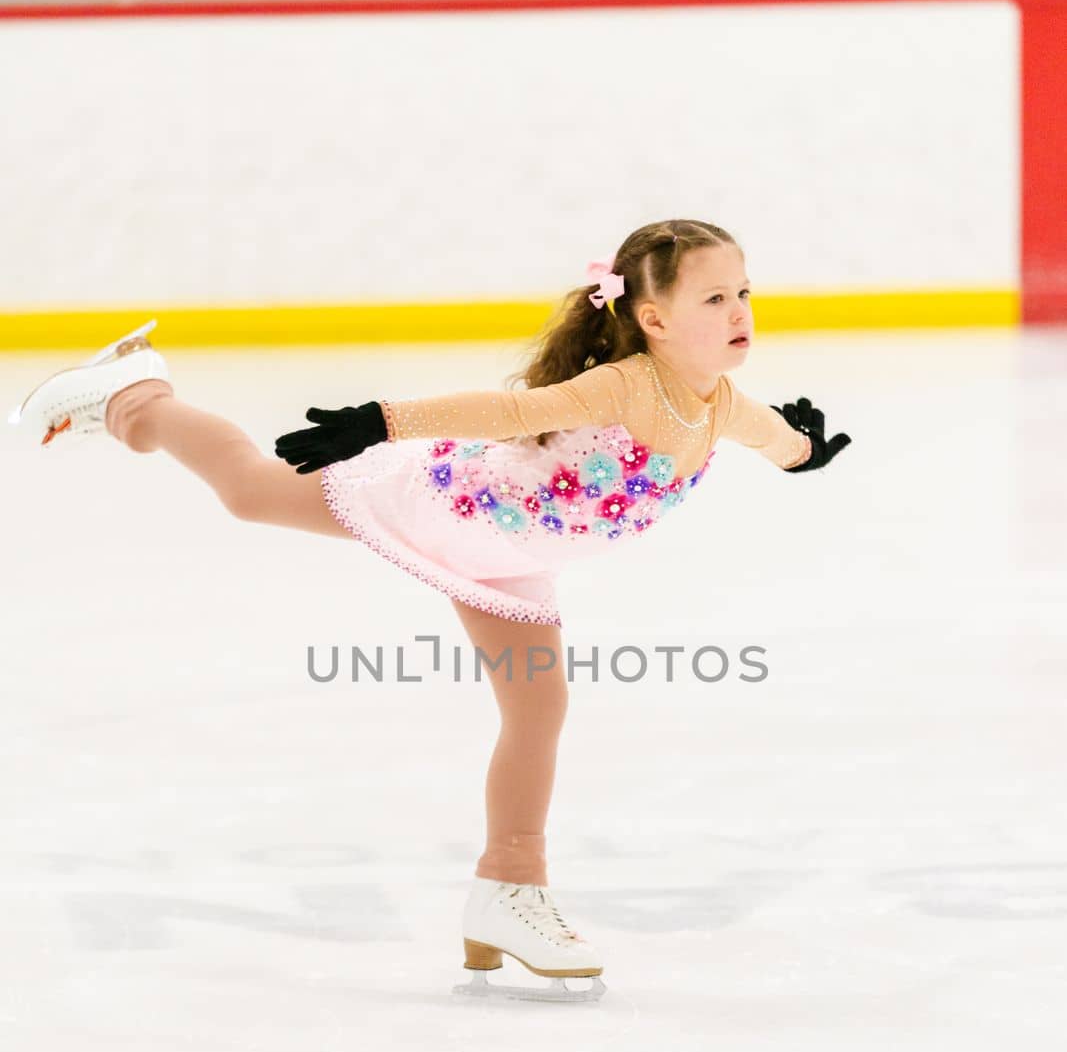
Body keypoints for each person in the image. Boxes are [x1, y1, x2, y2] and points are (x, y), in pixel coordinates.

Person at [9, 217, 850, 1003]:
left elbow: (777, 439)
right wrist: (378, 421)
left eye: (744, 292)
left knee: (539, 706)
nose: (739, 312)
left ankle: (506, 890)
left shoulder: (718, 405)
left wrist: (805, 452)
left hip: (514, 561)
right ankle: (135, 397)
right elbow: (517, 413)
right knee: (249, 490)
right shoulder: (625, 386)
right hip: (449, 509)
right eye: (713, 298)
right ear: (653, 320)